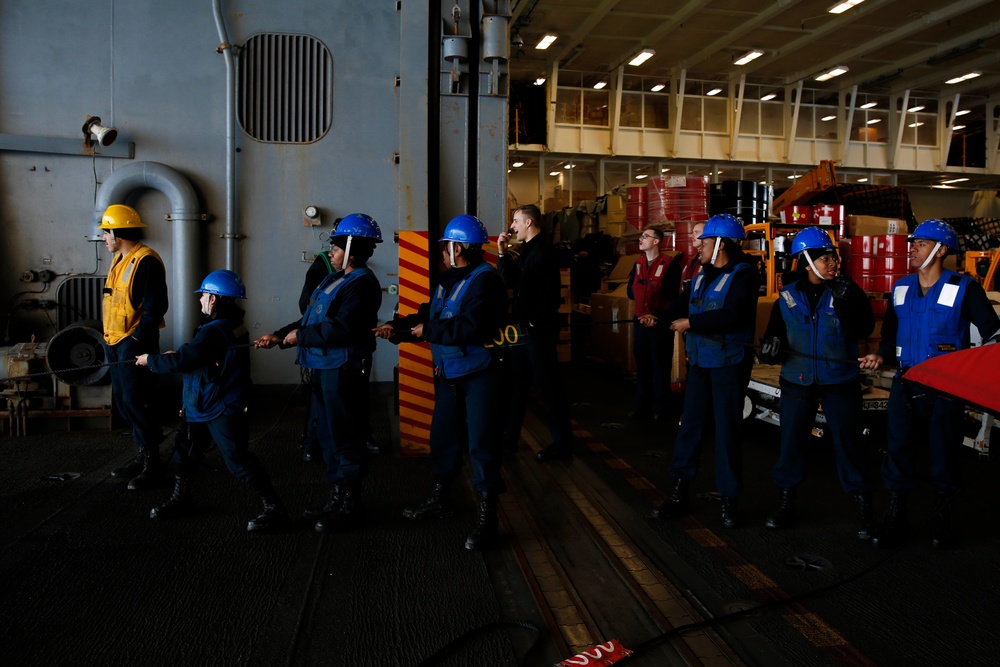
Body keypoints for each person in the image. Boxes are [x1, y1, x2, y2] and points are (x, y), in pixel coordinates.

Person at [860, 219, 1000, 549]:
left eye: (920, 244)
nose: (912, 249)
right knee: (898, 450)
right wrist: (880, 355)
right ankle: (896, 517)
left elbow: (994, 332)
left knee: (944, 452)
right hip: (907, 381)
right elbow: (890, 333)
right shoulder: (902, 287)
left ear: (940, 250)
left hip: (946, 388)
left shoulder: (964, 288)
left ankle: (942, 519)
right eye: (913, 243)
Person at [376, 215, 507, 550]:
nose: (442, 253)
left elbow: (472, 327)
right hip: (451, 373)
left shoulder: (486, 281)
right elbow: (431, 315)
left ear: (457, 247)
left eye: (445, 247)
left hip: (480, 375)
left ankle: (488, 517)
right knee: (443, 437)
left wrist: (427, 331)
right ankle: (441, 498)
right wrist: (399, 329)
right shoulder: (447, 280)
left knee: (481, 445)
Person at [255, 213, 384, 533]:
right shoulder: (332, 279)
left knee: (345, 436)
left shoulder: (362, 284)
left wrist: (300, 337)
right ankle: (338, 497)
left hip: (343, 370)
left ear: (353, 250)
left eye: (337, 248)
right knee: (328, 436)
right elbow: (311, 320)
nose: (331, 253)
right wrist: (278, 335)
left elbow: (342, 328)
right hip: (323, 367)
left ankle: (351, 504)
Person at [136, 270, 287, 532]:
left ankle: (274, 508)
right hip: (205, 403)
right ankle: (182, 498)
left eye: (203, 295)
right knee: (185, 450)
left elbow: (184, 360)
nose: (200, 300)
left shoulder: (213, 331)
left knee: (237, 458)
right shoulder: (233, 323)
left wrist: (149, 360)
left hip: (220, 405)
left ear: (214, 299)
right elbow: (203, 355)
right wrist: (186, 353)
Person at [758, 227, 877, 538]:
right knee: (791, 445)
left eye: (833, 256)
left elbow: (863, 329)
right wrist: (770, 350)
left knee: (849, 445)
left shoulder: (849, 292)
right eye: (825, 257)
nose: (833, 262)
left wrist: (846, 302)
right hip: (797, 381)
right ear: (806, 261)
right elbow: (774, 337)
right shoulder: (786, 296)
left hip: (840, 383)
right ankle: (786, 504)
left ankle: (863, 507)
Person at [650, 213, 759, 528]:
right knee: (689, 430)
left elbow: (734, 315)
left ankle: (730, 500)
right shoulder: (700, 274)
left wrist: (692, 323)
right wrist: (658, 317)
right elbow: (682, 307)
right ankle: (679, 493)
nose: (698, 245)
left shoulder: (744, 274)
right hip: (700, 364)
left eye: (705, 240)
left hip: (728, 366)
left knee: (727, 433)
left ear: (721, 243)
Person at [100, 203, 169, 491]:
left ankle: (153, 462)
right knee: (124, 402)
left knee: (138, 401)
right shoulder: (119, 259)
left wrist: (136, 341)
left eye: (106, 233)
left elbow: (156, 309)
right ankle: (142, 454)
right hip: (114, 342)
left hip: (133, 342)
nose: (104, 238)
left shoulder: (146, 261)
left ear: (117, 232)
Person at [497, 204, 574, 461]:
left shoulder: (543, 253)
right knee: (516, 385)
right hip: (523, 331)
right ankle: (508, 439)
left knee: (548, 388)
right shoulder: (528, 251)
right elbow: (512, 284)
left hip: (536, 333)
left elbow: (551, 297)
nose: (512, 226)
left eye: (516, 221)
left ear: (529, 222)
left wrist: (534, 324)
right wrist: (502, 254)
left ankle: (562, 444)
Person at [626, 227, 683, 421]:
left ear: (656, 241)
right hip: (641, 321)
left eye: (645, 237)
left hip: (659, 323)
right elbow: (631, 292)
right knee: (642, 366)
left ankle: (661, 408)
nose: (640, 239)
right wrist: (643, 315)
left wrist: (657, 316)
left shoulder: (670, 264)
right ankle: (641, 407)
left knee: (660, 366)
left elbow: (673, 296)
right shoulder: (638, 263)